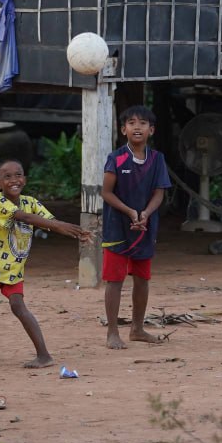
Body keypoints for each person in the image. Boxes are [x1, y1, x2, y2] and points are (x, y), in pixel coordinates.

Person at [0, 159, 90, 367]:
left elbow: (50, 222)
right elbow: (25, 218)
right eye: (7, 177)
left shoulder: (31, 202)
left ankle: (44, 355)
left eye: (18, 175)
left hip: (14, 269)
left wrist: (76, 232)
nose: (14, 180)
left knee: (18, 306)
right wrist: (60, 226)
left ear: (24, 179)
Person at [100, 105, 171, 349]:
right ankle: (112, 333)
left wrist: (146, 214)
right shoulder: (116, 158)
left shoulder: (157, 159)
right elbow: (106, 192)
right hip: (117, 227)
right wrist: (130, 212)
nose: (137, 127)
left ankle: (137, 329)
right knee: (115, 280)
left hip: (144, 228)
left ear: (151, 130)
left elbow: (159, 193)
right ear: (123, 130)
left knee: (142, 279)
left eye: (142, 123)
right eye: (131, 123)